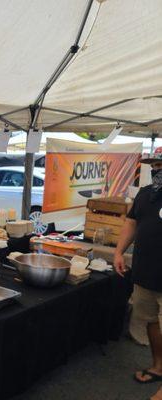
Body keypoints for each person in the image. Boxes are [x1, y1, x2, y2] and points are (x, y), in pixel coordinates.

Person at [114, 148, 162, 400]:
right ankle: (158, 366)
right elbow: (131, 222)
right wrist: (119, 252)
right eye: (154, 164)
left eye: (160, 165)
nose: (156, 169)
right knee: (152, 321)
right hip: (146, 274)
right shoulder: (146, 194)